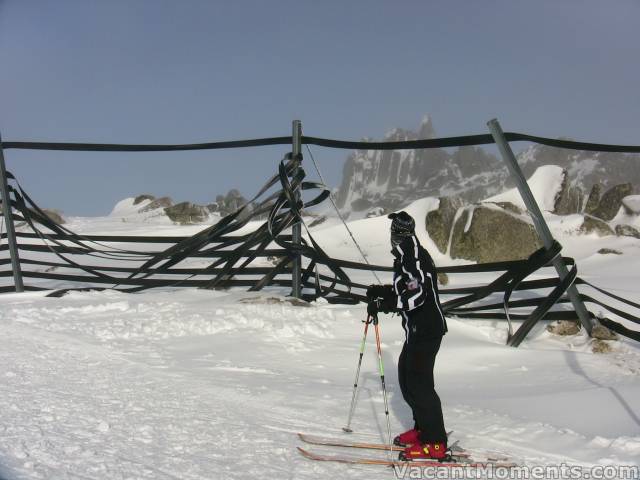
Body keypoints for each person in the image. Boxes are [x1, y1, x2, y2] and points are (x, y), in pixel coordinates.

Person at [366, 211, 448, 461]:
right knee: (406, 377)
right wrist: (383, 293)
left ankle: (435, 442)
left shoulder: (412, 255)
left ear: (400, 235)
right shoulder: (406, 254)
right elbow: (408, 288)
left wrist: (387, 302)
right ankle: (423, 429)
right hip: (418, 329)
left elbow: (416, 294)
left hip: (427, 328)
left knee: (419, 384)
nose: (392, 236)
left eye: (394, 231)